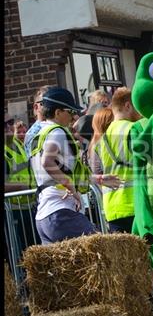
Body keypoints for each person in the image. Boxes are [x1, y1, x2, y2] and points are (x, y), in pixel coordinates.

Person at [29, 87, 99, 244]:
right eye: (70, 111)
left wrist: (99, 179)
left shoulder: (39, 134)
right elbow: (47, 162)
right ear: (58, 112)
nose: (74, 116)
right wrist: (71, 187)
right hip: (60, 212)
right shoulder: (57, 132)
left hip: (44, 217)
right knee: (100, 246)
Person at [95, 88, 139, 233]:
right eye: (137, 106)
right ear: (128, 106)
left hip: (113, 209)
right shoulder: (134, 129)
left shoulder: (102, 138)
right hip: (136, 205)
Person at [5, 117, 40, 256]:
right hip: (13, 210)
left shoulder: (17, 144)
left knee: (34, 248)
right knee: (21, 252)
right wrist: (21, 187)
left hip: (29, 205)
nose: (8, 129)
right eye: (5, 127)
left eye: (9, 126)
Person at [24, 85, 56, 158]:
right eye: (46, 102)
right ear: (36, 107)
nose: (51, 105)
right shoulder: (33, 133)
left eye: (53, 102)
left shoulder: (56, 126)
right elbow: (38, 164)